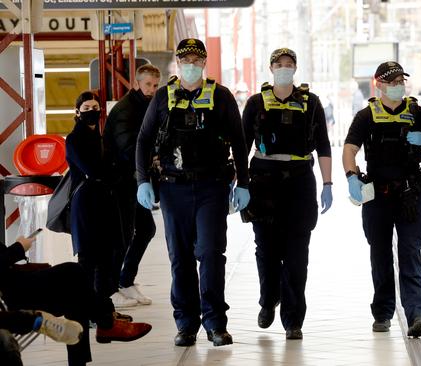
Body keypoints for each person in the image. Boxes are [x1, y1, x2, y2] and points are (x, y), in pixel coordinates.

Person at [135, 38, 250, 347]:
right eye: (185, 59)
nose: (190, 64)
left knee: (212, 254)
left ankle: (215, 324)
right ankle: (186, 323)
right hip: (174, 189)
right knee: (180, 258)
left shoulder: (221, 96)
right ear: (177, 62)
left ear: (204, 62)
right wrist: (142, 180)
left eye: (196, 59)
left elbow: (239, 142)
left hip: (212, 187)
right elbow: (144, 140)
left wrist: (245, 183)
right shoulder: (163, 97)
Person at [342, 61, 421, 338]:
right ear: (380, 85)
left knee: (411, 253)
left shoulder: (417, 113)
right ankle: (383, 312)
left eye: (401, 81)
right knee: (381, 254)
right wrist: (351, 175)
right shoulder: (366, 116)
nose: (398, 86)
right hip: (378, 197)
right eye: (392, 82)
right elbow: (350, 148)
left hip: (410, 195)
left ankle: (417, 313)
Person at [241, 48, 332, 340]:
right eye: (279, 64)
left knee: (296, 255)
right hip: (263, 182)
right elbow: (241, 146)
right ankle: (268, 300)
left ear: (295, 68)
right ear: (270, 69)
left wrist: (328, 184)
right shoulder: (256, 103)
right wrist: (239, 183)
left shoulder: (311, 102)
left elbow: (324, 146)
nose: (284, 68)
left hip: (300, 182)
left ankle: (293, 320)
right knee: (266, 252)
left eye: (289, 64)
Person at [0, 235, 151, 365]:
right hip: (8, 296)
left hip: (12, 284)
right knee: (74, 278)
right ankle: (106, 323)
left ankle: (105, 323)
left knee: (75, 286)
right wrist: (18, 248)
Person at [104, 64, 161, 307]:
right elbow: (128, 147)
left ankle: (125, 281)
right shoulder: (125, 109)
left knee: (146, 230)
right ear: (137, 83)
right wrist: (152, 159)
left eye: (156, 85)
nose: (152, 89)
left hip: (136, 181)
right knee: (122, 236)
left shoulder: (148, 106)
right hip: (119, 183)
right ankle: (109, 289)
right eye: (148, 84)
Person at [66, 91, 127, 309]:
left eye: (95, 108)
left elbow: (112, 169)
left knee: (106, 256)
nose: (92, 112)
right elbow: (92, 170)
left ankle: (102, 310)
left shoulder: (100, 138)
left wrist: (110, 173)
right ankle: (85, 309)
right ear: (77, 112)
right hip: (85, 204)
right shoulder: (73, 140)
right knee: (88, 259)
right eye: (86, 109)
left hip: (104, 200)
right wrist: (110, 173)